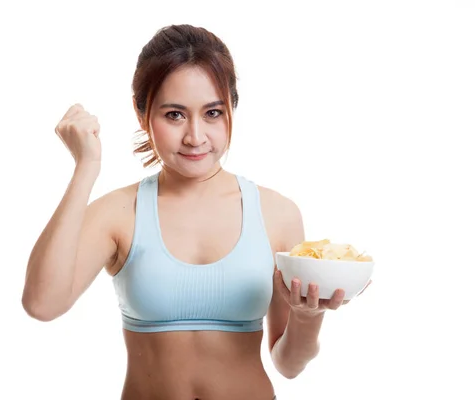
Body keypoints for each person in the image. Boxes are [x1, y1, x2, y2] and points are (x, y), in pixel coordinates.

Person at [22, 24, 369, 400]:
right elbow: (42, 304)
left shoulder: (277, 213)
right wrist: (85, 168)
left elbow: (287, 364)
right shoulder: (120, 213)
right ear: (142, 115)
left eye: (213, 113)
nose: (195, 136)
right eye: (174, 115)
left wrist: (307, 316)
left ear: (231, 109)